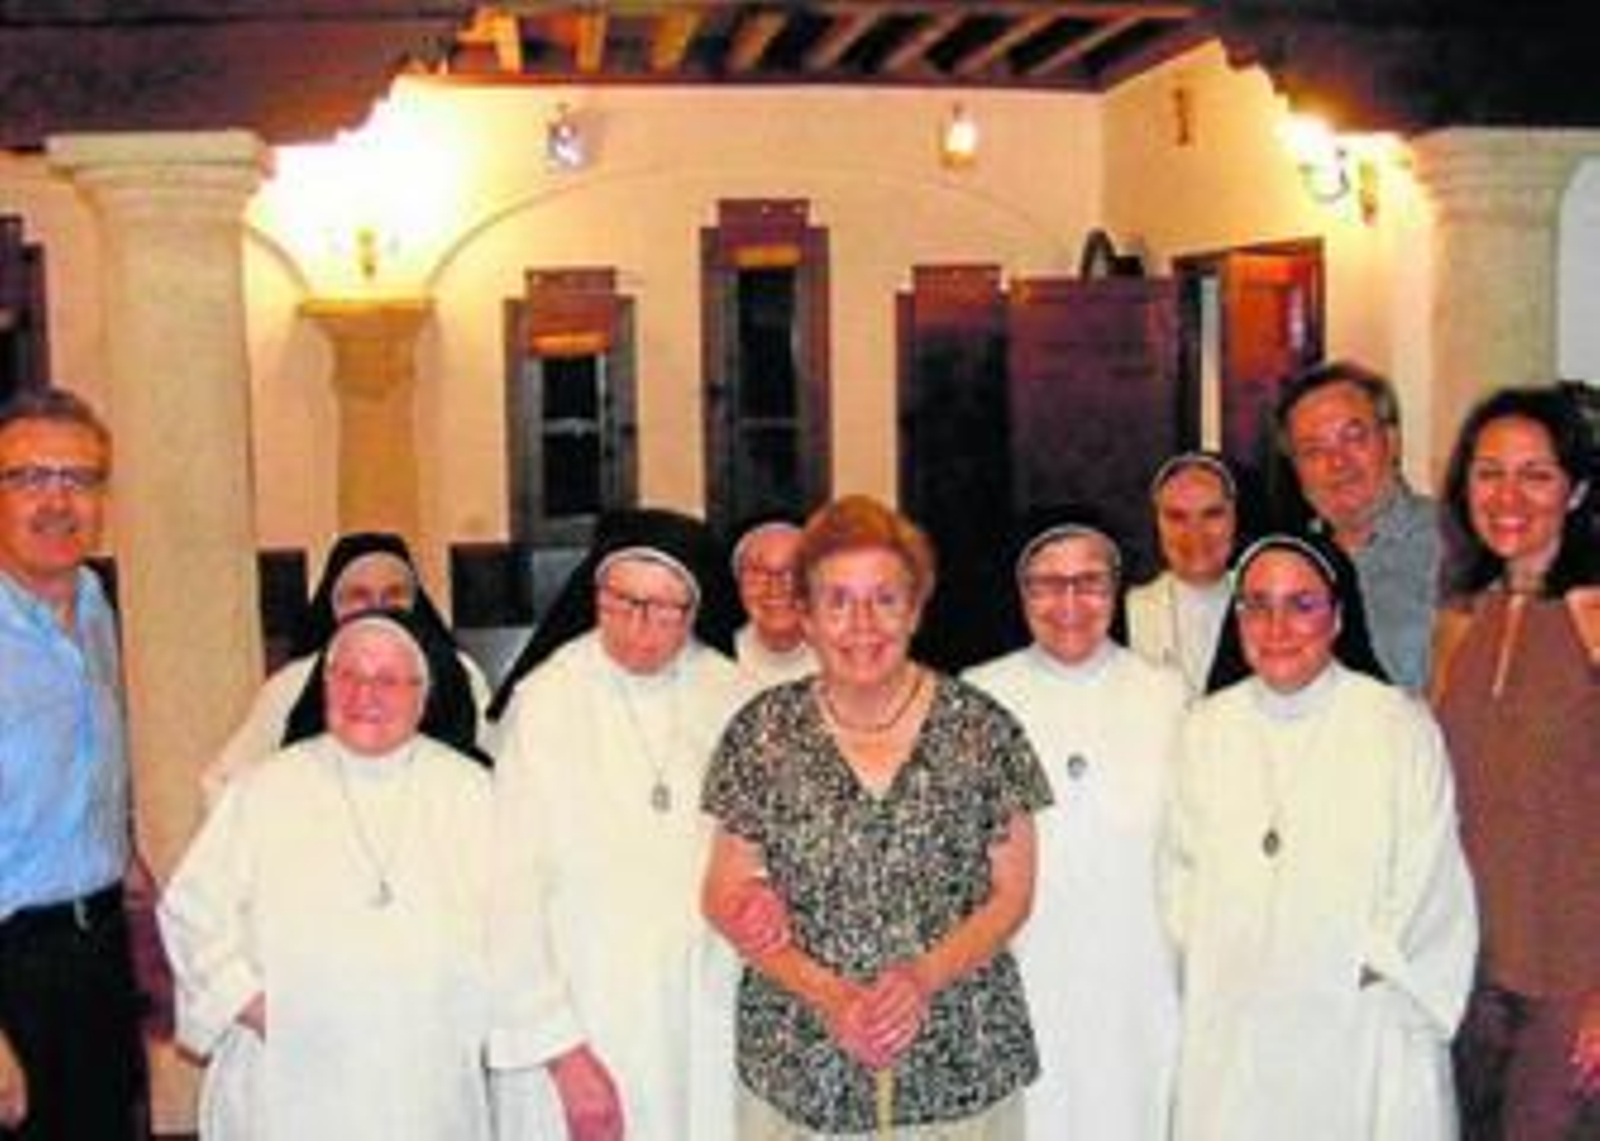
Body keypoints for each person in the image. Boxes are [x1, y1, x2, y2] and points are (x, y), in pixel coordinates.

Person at [702, 494, 1050, 1138]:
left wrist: (921, 978)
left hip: (959, 1057)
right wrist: (831, 995)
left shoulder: (982, 729)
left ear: (915, 609)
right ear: (806, 616)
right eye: (837, 601)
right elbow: (721, 894)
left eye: (885, 599)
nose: (862, 624)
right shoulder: (762, 733)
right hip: (799, 1064)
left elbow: (1013, 894)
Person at [1161, 532, 1477, 1140]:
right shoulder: (1204, 728)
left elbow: (1430, 876)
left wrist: (1347, 962)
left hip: (1359, 1014)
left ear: (1337, 617)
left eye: (1301, 605)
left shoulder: (1397, 726)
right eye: (1257, 606)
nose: (1277, 627)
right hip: (1238, 1014)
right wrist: (1229, 955)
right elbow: (1176, 872)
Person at [159, 610, 494, 1140]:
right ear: (325, 684)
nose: (365, 695)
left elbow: (517, 924)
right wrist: (251, 1004)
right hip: (286, 1076)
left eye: (388, 680)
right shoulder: (264, 788)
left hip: (423, 1076)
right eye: (348, 675)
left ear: (422, 693)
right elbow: (191, 910)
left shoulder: (471, 792)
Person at [487, 507, 753, 1141]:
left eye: (664, 611)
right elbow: (508, 892)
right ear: (595, 593)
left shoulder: (733, 698)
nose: (639, 628)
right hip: (579, 1018)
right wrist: (560, 1049)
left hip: (701, 1022)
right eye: (622, 602)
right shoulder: (546, 700)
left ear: (695, 610)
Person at [965, 506, 1184, 1138]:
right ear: (1021, 592)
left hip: (1140, 980)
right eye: (1047, 583)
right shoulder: (979, 698)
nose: (1069, 603)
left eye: (1089, 582)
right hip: (1023, 974)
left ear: (1117, 588)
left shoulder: (1168, 696)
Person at [1429, 386, 1600, 1139]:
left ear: (1577, 490)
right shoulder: (1460, 618)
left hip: (1573, 976)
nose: (1508, 497)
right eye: (1489, 473)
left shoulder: (1593, 614)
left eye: (1536, 475)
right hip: (1469, 969)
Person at [0, 387, 143, 1140]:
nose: (57, 501)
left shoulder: (91, 603)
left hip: (97, 954)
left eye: (79, 478)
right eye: (29, 477)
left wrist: (126, 858)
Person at [201, 530, 490, 808]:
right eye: (359, 596)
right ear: (333, 605)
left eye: (394, 595)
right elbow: (223, 781)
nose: (377, 607)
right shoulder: (293, 682)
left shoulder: (462, 673)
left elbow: (494, 768)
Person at [1277, 359, 1441, 690]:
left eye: (1353, 438)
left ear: (1392, 442)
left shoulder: (1460, 545)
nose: (1337, 462)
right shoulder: (1284, 564)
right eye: (1313, 450)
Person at [1126, 452, 1241, 695]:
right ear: (1157, 524)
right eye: (1176, 517)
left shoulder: (1266, 605)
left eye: (1212, 514)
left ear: (1234, 518)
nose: (1195, 533)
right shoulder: (1125, 611)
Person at [730, 513, 817, 686]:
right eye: (757, 570)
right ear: (738, 581)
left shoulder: (851, 659)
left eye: (793, 569)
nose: (775, 586)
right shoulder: (715, 662)